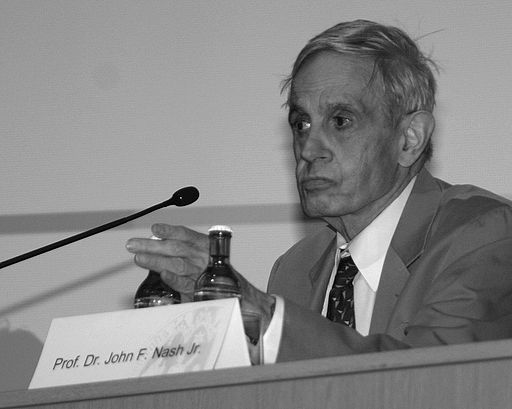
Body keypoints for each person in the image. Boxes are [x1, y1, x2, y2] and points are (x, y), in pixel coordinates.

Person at [126, 20, 512, 363]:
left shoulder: (482, 234)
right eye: (301, 124)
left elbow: (433, 382)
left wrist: (264, 315)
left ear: (409, 139)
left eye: (341, 121)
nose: (309, 149)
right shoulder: (295, 269)